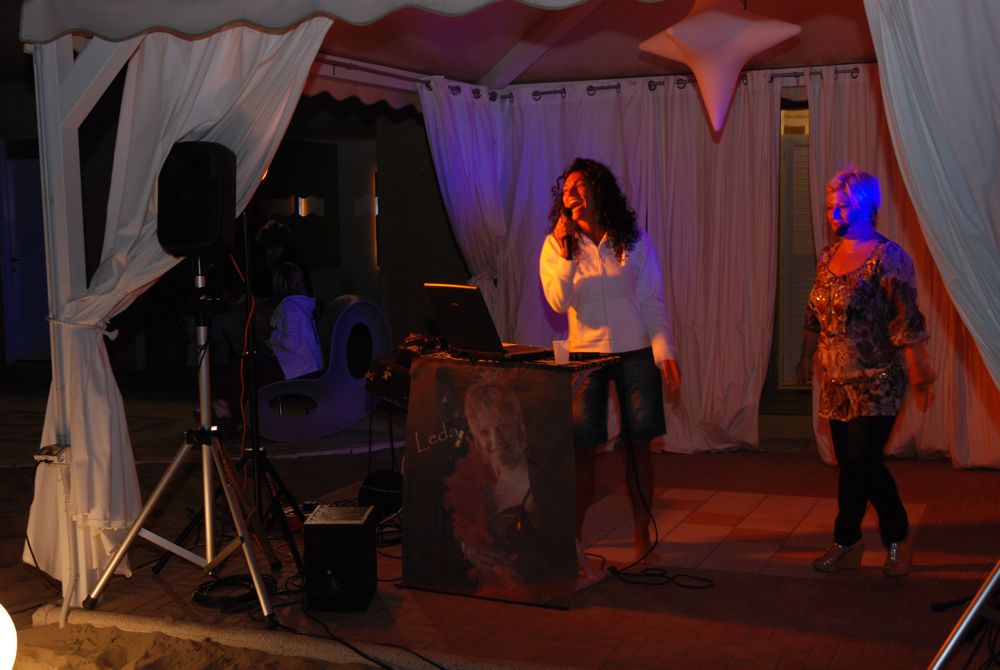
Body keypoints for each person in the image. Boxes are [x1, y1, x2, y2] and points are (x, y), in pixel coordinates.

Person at [538, 157, 681, 563]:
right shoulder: (555, 246)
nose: (571, 194)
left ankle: (641, 531)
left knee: (638, 448)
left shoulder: (631, 239)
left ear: (599, 191)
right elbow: (557, 301)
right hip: (585, 357)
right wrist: (567, 252)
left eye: (579, 186)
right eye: (566, 189)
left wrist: (663, 349)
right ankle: (573, 543)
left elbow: (650, 299)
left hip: (636, 353)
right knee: (582, 450)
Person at [796, 167, 935, 578]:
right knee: (849, 463)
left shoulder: (889, 257)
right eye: (830, 207)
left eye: (843, 206)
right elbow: (815, 313)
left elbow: (906, 317)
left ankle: (897, 537)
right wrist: (806, 357)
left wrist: (918, 366)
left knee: (863, 460)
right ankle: (847, 541)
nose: (834, 214)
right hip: (836, 380)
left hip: (879, 380)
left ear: (867, 206)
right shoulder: (827, 256)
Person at [443, 378, 548, 596]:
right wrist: (468, 546)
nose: (496, 439)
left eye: (502, 428)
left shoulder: (538, 480)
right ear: (474, 432)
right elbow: (455, 526)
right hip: (480, 595)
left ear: (516, 424)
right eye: (484, 432)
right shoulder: (468, 476)